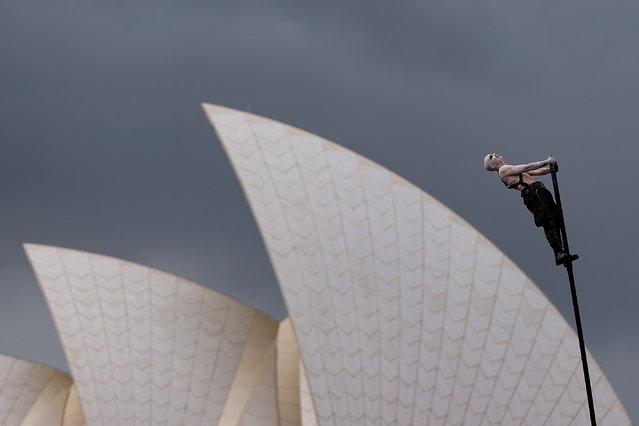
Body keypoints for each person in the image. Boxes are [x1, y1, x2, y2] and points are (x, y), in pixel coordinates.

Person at [484, 153, 578, 265]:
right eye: (491, 157)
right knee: (548, 220)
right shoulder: (503, 170)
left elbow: (536, 172)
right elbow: (527, 167)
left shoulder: (510, 170)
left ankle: (562, 253)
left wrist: (550, 170)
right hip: (534, 193)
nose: (494, 154)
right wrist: (547, 161)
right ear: (493, 165)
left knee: (555, 218)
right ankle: (558, 253)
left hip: (538, 191)